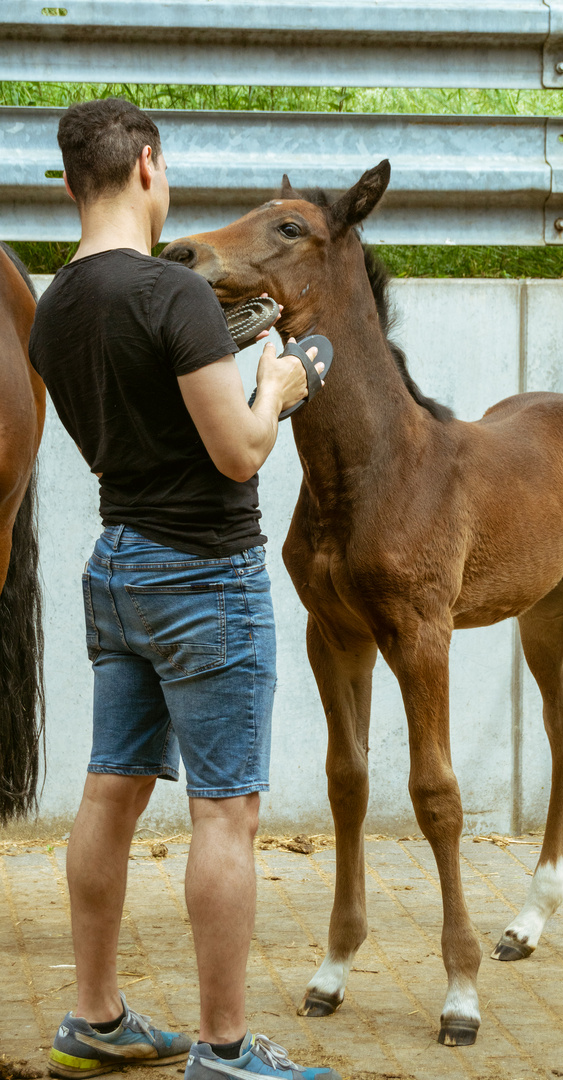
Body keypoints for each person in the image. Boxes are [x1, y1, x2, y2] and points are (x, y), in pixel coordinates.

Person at [29, 97, 339, 1080]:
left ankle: (96, 1017)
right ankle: (220, 1048)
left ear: (75, 184)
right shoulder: (173, 299)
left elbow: (138, 425)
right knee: (225, 814)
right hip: (204, 578)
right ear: (150, 169)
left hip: (117, 568)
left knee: (110, 790)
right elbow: (241, 452)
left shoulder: (51, 309)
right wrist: (279, 384)